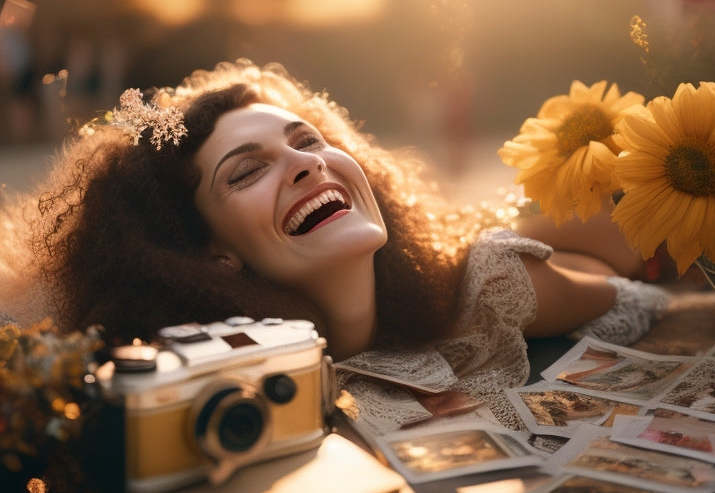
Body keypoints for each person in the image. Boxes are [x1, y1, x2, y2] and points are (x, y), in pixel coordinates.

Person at [0, 59, 667, 421]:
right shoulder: (187, 391)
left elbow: (634, 285)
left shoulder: (484, 285)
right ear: (210, 256)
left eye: (306, 140)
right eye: (247, 170)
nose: (304, 163)